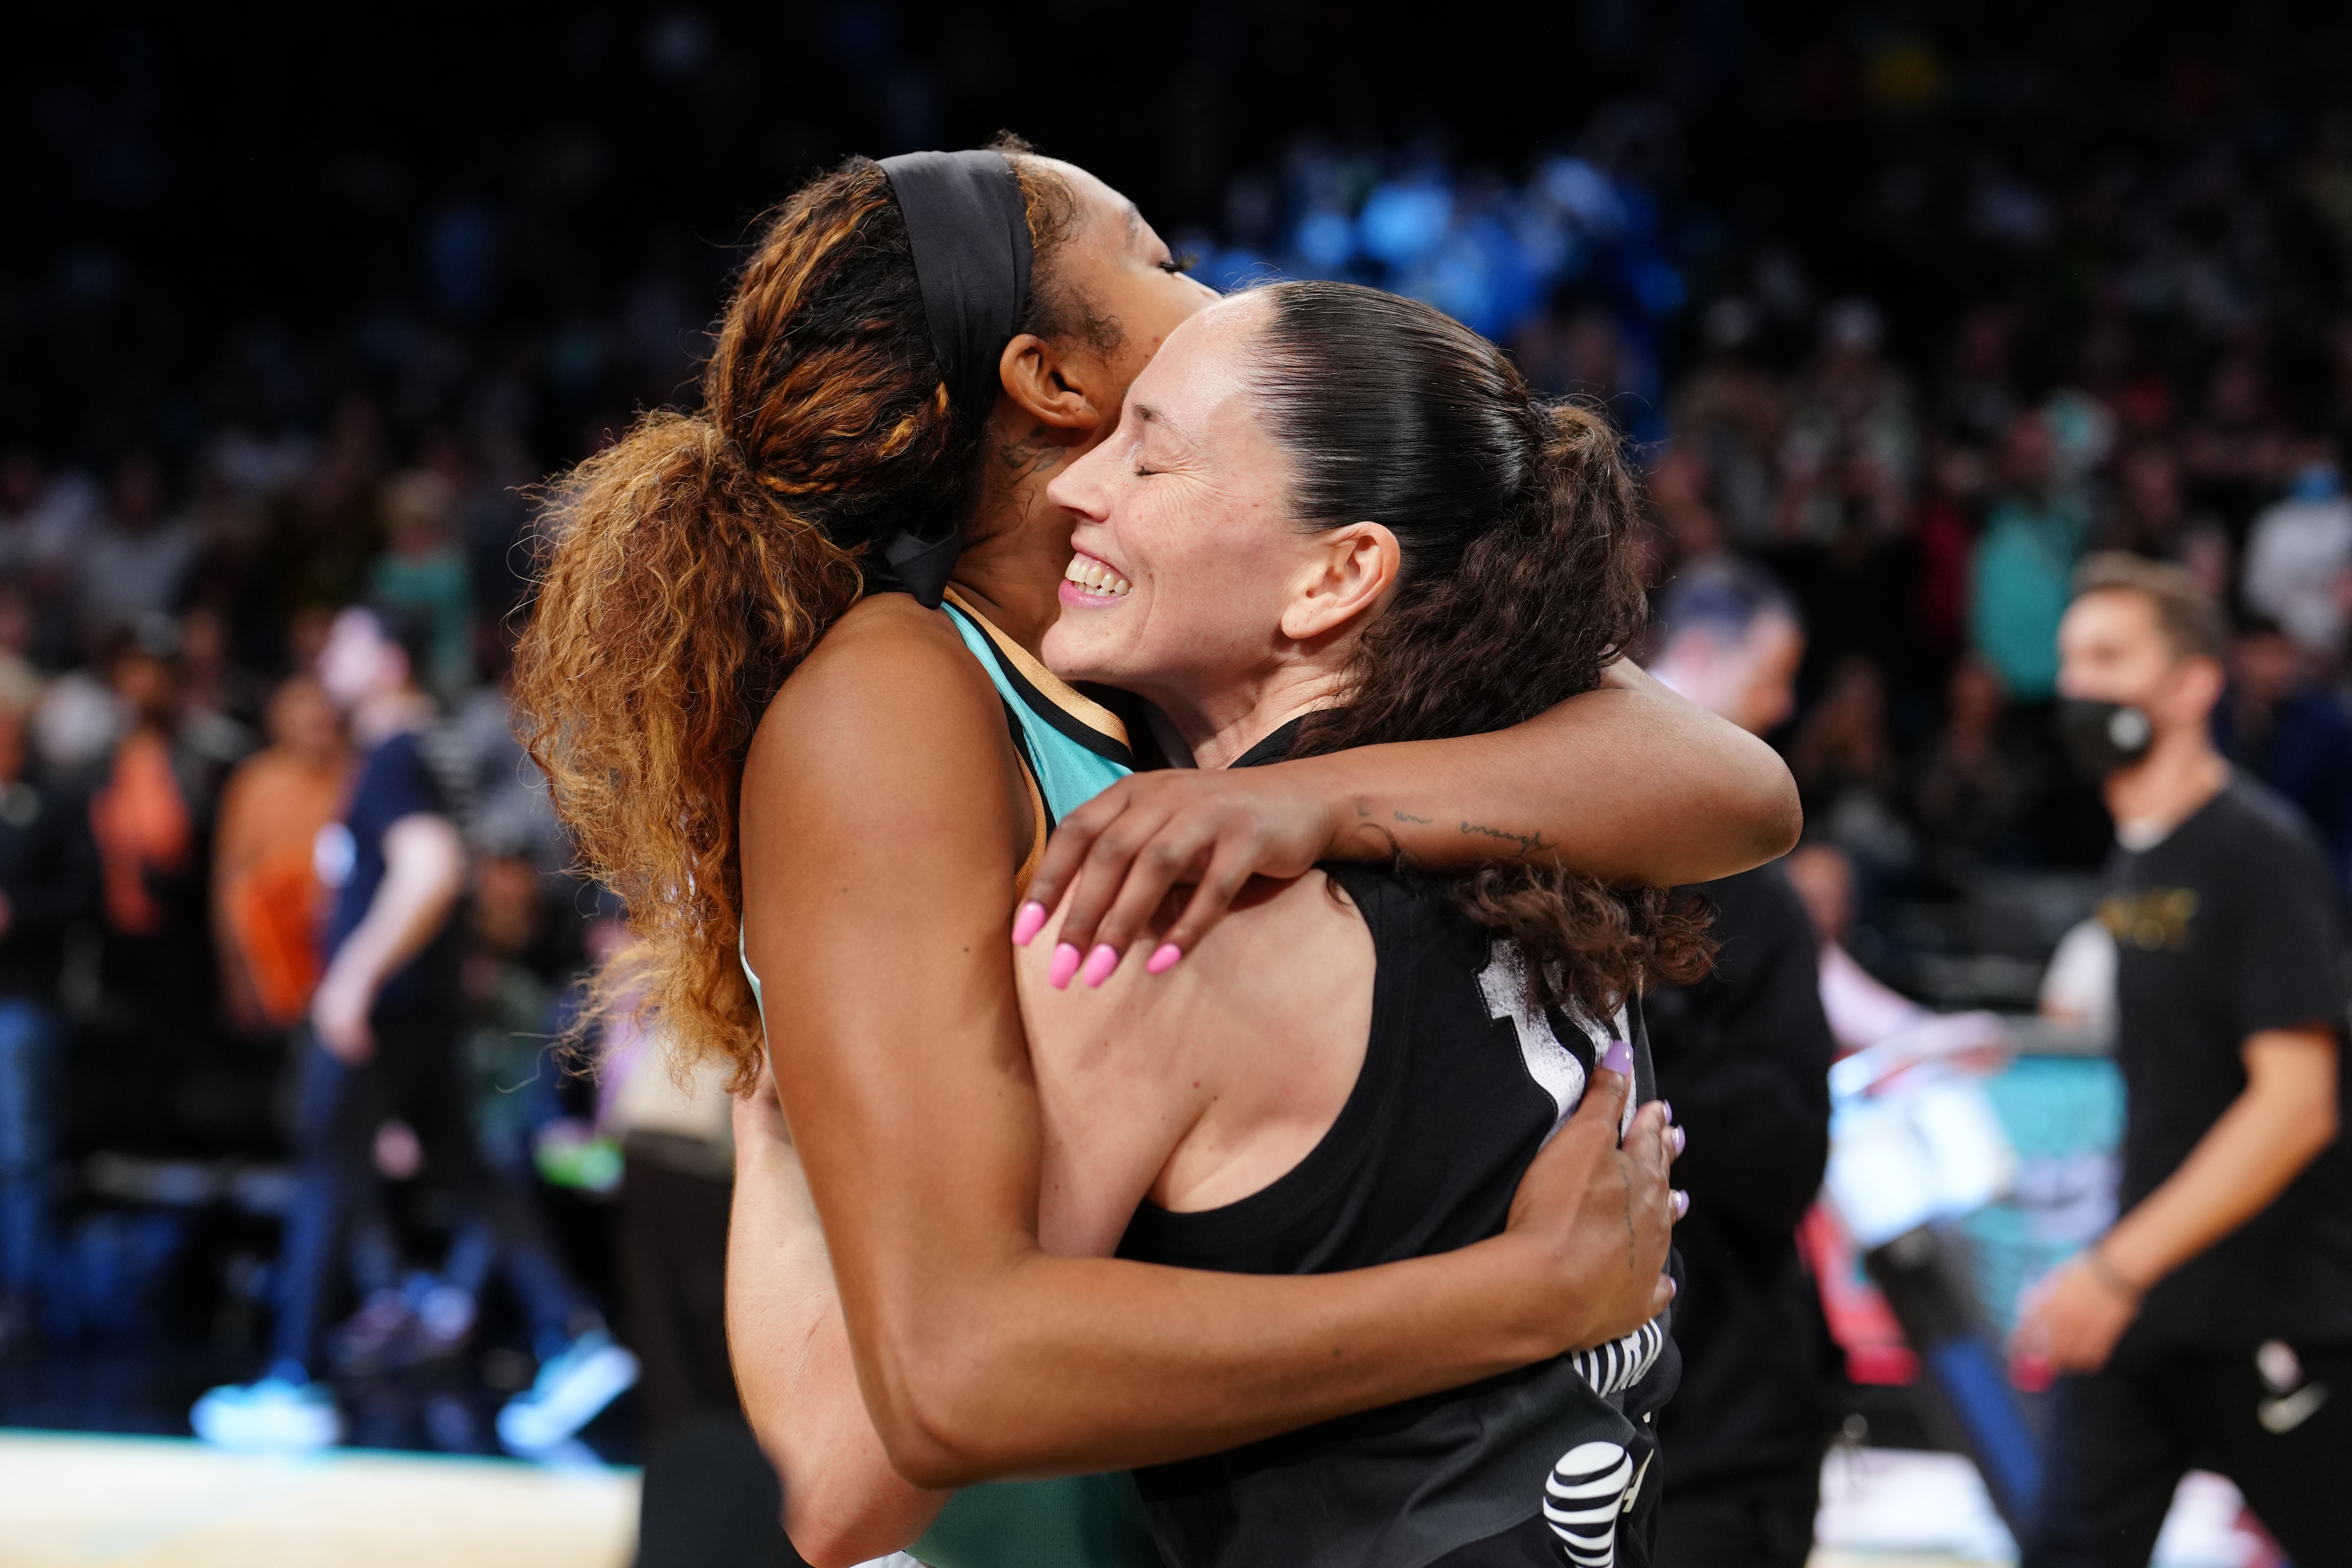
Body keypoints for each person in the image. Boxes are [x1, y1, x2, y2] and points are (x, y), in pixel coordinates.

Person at [515, 144, 1796, 1566]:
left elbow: (1735, 785)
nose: (1211, 287)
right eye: (1163, 256)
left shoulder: (1199, 656)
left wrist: (1308, 799)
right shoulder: (898, 695)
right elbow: (866, 1457)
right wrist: (1518, 1294)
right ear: (1054, 380)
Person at [191, 602, 637, 1453]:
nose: (332, 656)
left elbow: (430, 867)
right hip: (423, 1006)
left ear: (389, 661)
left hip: (384, 1006)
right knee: (469, 1171)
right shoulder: (430, 748)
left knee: (327, 1170)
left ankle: (291, 1381)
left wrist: (352, 977)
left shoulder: (398, 751)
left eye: (351, 641)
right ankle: (573, 1337)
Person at [2014, 553, 2352, 1566]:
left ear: (2193, 682)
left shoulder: (2256, 848)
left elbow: (2296, 1104)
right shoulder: (2140, 849)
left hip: (2270, 1303)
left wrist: (2116, 1268)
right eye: (2072, 658)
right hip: (2153, 1304)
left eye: (2109, 656)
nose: (2078, 684)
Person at [1641, 562, 1839, 1568]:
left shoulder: (1757, 897)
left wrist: (1648, 1029)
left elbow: (1787, 1153)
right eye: (1773, 673)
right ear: (1703, 657)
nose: (1786, 704)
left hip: (1718, 1422)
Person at [0, 684, 99, 1347]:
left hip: (23, 999)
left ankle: (21, 1299)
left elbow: (85, 896)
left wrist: (18, 914)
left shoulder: (54, 802)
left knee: (21, 1155)